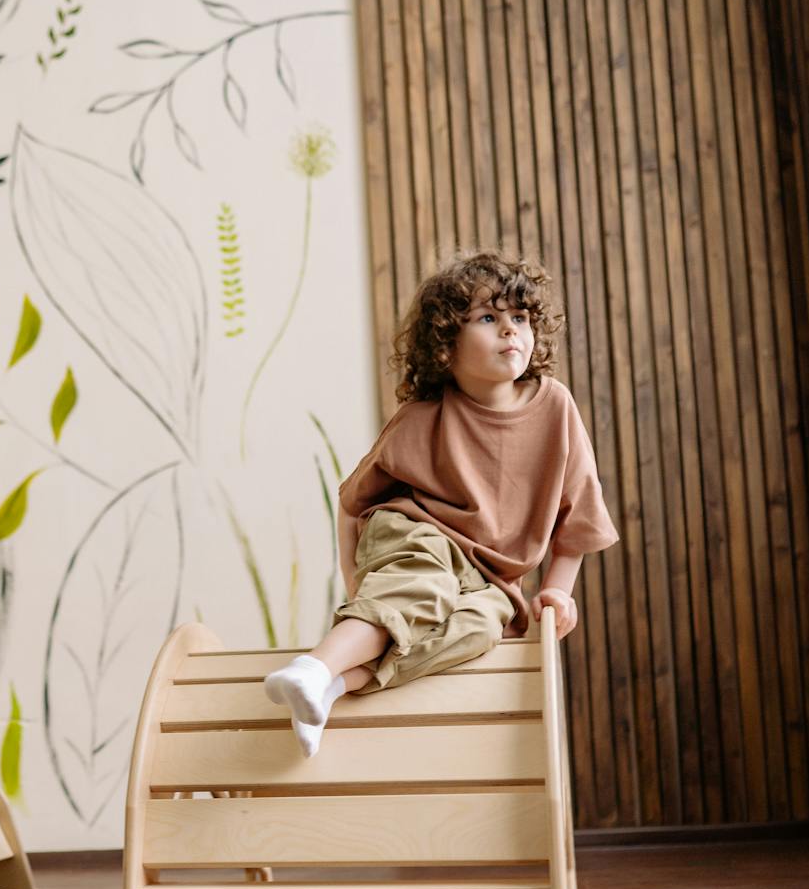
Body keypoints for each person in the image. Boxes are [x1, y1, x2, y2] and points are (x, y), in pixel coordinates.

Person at [263, 252, 620, 756]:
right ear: (446, 345)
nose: (510, 331)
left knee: (481, 629)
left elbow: (578, 518)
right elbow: (351, 504)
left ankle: (335, 687)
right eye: (489, 319)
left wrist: (558, 592)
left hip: (491, 577)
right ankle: (315, 666)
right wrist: (356, 584)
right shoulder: (420, 418)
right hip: (414, 534)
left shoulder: (554, 406)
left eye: (519, 318)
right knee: (424, 585)